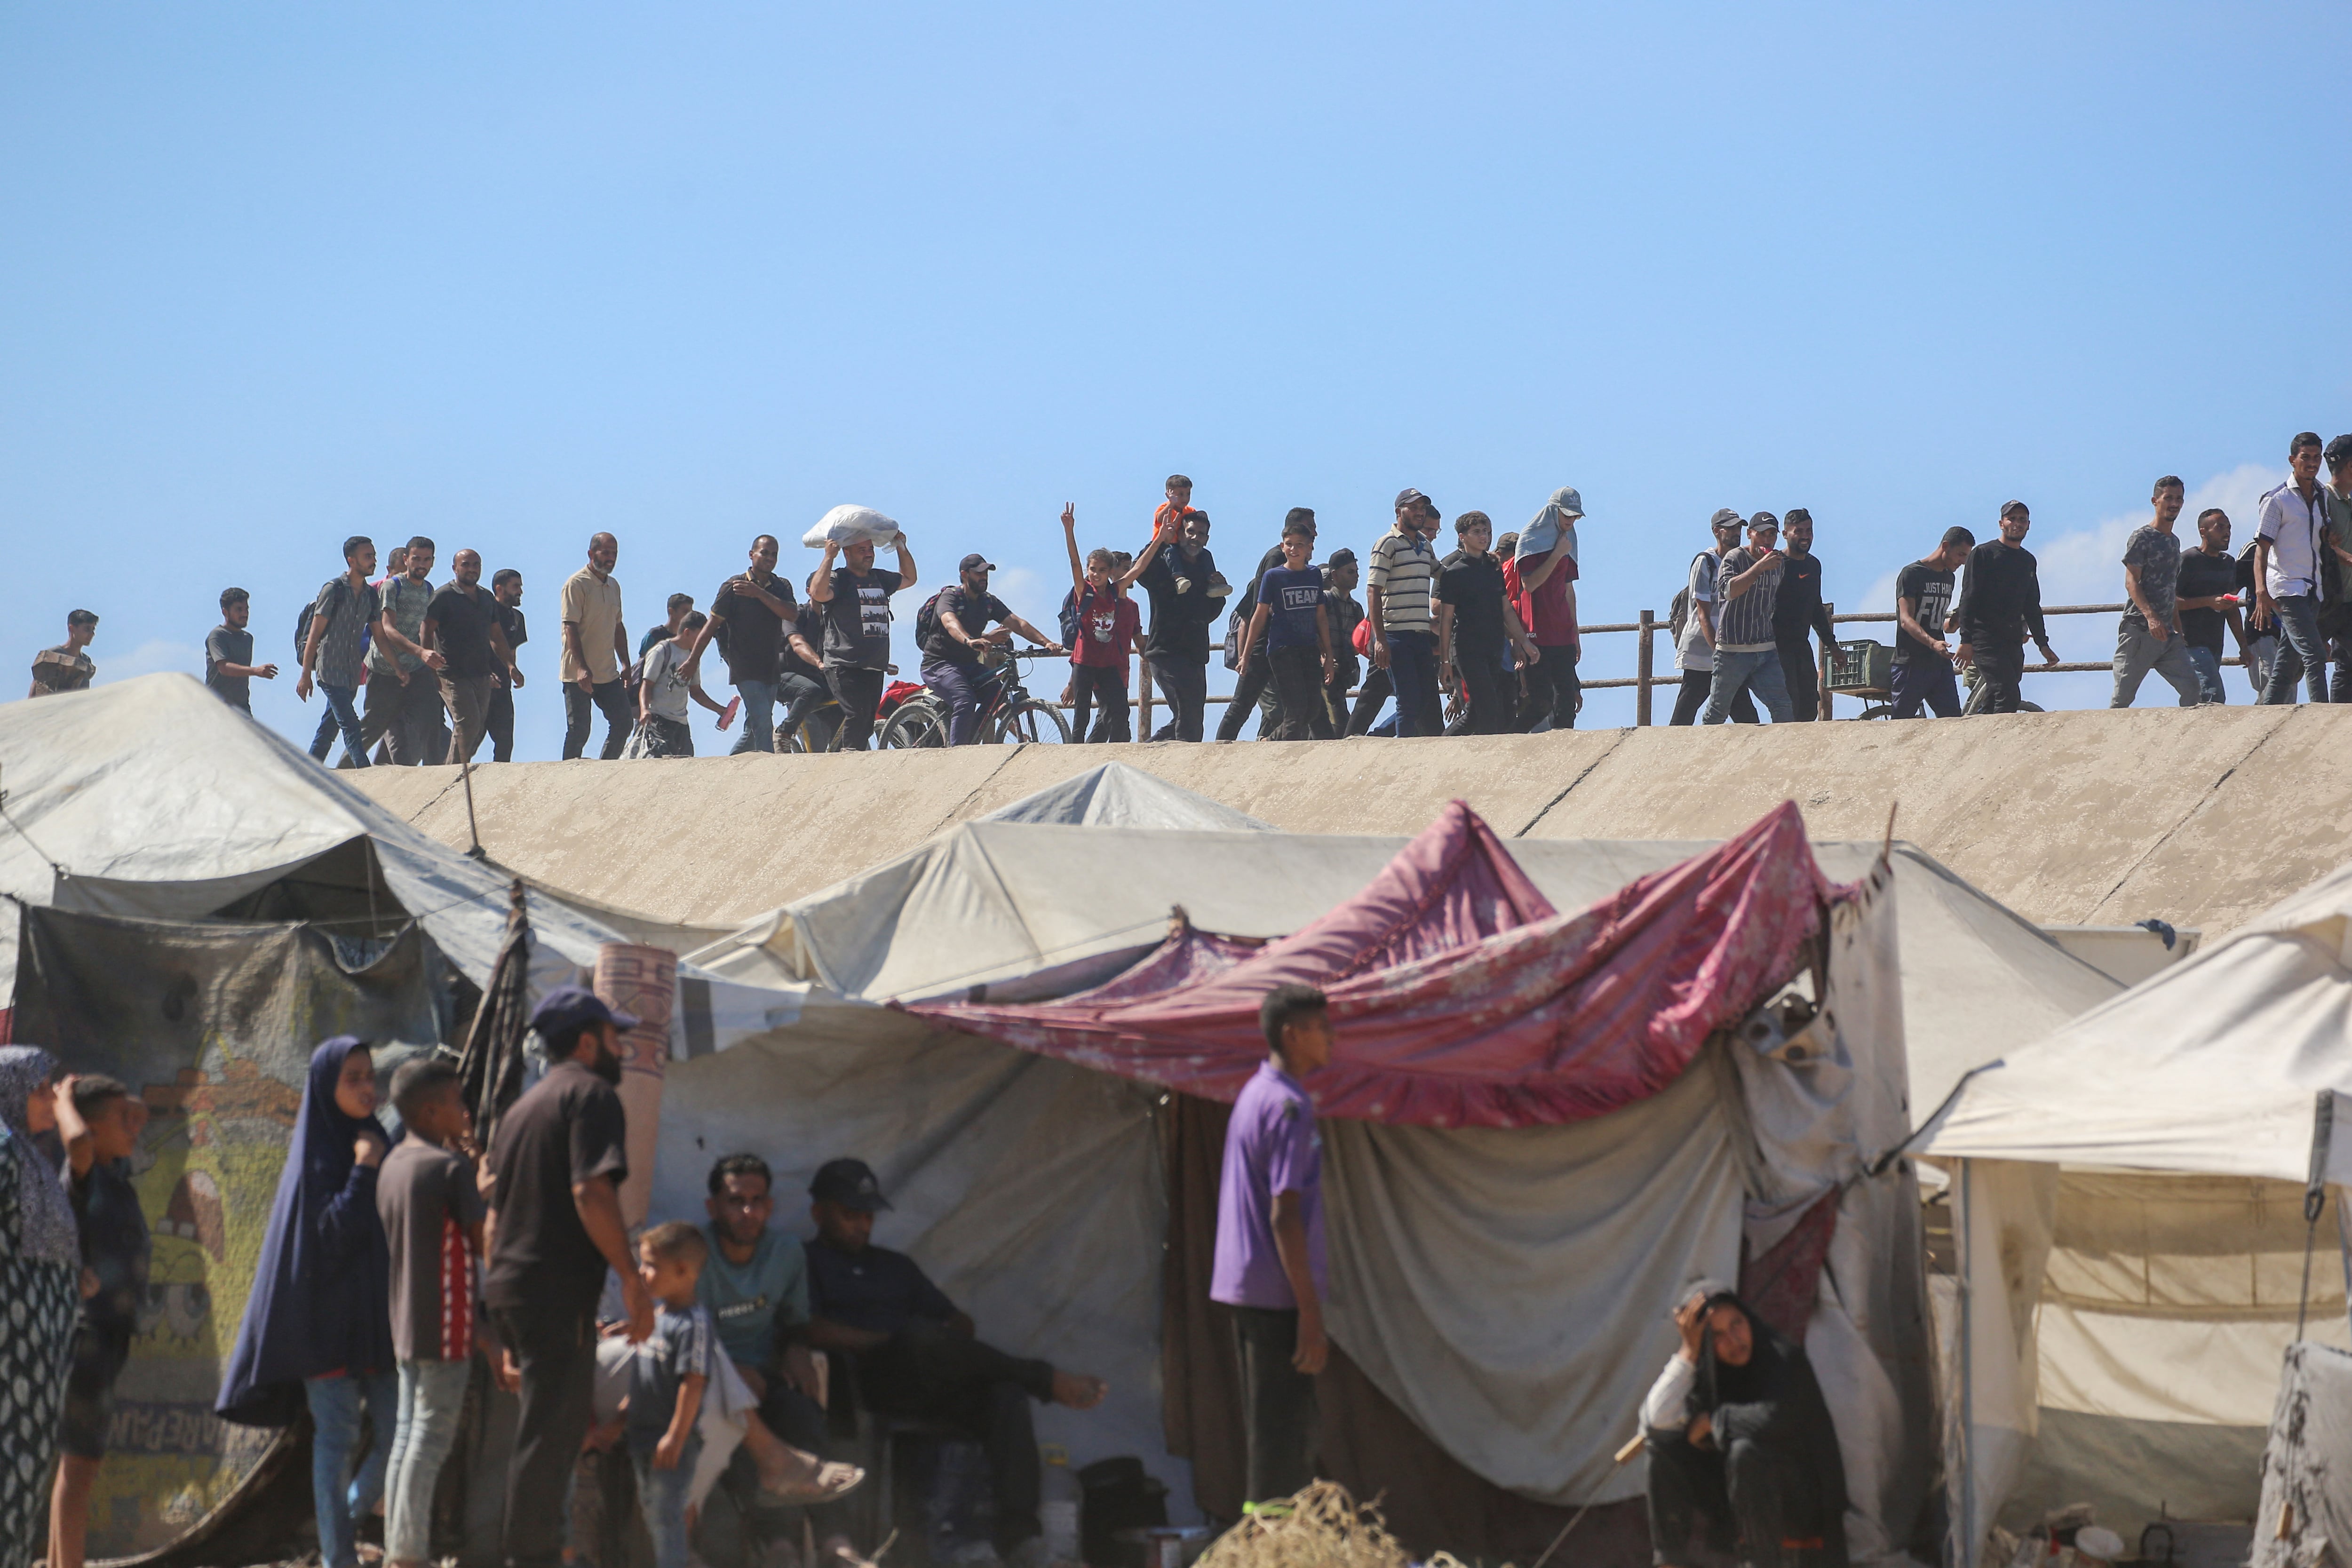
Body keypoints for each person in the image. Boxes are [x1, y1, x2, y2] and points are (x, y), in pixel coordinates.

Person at [804, 1157, 1108, 1568]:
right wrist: (890, 1341)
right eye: (849, 1214)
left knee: (1005, 1395)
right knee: (917, 1337)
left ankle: (1023, 1539)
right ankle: (1043, 1377)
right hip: (867, 1382)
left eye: (867, 1215)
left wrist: (940, 1338)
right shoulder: (805, 1261)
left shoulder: (895, 1266)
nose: (862, 1224)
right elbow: (810, 1328)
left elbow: (958, 1321)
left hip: (930, 1378)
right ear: (818, 1213)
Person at [483, 986, 656, 1568]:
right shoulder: (591, 1096)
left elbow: (493, 1215)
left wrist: (501, 1304)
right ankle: (528, 1558)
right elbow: (591, 1189)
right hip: (555, 1293)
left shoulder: (522, 1109)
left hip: (515, 1287)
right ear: (587, 1042)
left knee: (545, 1431)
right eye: (613, 1036)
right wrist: (631, 1279)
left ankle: (534, 1552)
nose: (621, 1048)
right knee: (551, 1436)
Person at [216, 1037, 397, 1568]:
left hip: (376, 1324)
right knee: (337, 1440)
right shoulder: (318, 1157)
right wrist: (364, 1171)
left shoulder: (375, 1137)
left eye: (370, 1076)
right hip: (326, 1330)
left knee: (398, 1431)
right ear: (325, 1087)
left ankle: (340, 1522)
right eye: (354, 1078)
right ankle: (338, 1557)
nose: (367, 1088)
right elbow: (333, 1236)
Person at [1212, 985, 1333, 1507]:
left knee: (1274, 1434)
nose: (1331, 1038)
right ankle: (1268, 1550)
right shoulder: (1287, 1107)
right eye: (1322, 1028)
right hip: (1275, 1294)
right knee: (1281, 1445)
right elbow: (1284, 1215)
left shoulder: (1254, 1093)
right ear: (1292, 1034)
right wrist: (1309, 1312)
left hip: (1249, 1287)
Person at [1640, 1281, 1849, 1568]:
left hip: (1802, 1506)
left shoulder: (1783, 1359)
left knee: (1745, 1452)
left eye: (1737, 1324)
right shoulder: (1708, 1374)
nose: (1735, 1340)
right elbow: (1657, 1421)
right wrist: (1689, 1351)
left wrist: (1714, 1422)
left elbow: (1775, 1418)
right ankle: (1670, 1562)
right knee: (1661, 1449)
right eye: (1718, 1336)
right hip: (1739, 1503)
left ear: (1747, 1318)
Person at [377, 1058, 490, 1568]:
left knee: (408, 1435)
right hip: (448, 1322)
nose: (465, 1112)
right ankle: (409, 1555)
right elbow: (482, 1242)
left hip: (405, 1321)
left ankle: (401, 1548)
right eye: (457, 1102)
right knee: (430, 1436)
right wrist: (483, 1179)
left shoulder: (395, 1163)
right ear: (430, 1110)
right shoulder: (450, 1169)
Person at [46, 1073, 150, 1568]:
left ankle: (54, 1561)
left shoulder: (115, 1172)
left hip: (110, 1335)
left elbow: (140, 1112)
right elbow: (76, 1140)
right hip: (88, 1335)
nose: (133, 1126)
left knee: (78, 1462)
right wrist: (65, 1098)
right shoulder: (83, 1176)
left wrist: (119, 1104)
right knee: (81, 1465)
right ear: (88, 1126)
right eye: (119, 1119)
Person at [0, 1049, 80, 1568]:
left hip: (36, 1358)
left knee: (25, 1475)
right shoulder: (6, 1155)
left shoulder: (30, 1159)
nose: (50, 1098)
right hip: (12, 1356)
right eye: (39, 1089)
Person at [627, 1223, 719, 1568]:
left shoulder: (694, 1323)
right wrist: (620, 1419)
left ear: (683, 1271)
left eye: (651, 1265)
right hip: (642, 1436)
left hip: (670, 1444)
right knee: (653, 1513)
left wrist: (676, 1437)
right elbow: (642, 1377)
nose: (641, 1272)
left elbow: (693, 1383)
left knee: (667, 1517)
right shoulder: (657, 1316)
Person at [919, 551, 1059, 746]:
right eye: (979, 574)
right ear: (965, 575)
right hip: (939, 664)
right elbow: (950, 622)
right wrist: (969, 641)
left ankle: (970, 741)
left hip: (968, 665)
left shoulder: (988, 602)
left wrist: (1046, 643)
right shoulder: (951, 597)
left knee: (996, 695)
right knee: (965, 701)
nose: (984, 578)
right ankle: (957, 753)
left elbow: (1017, 623)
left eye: (986, 574)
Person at [685, 537, 801, 753]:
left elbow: (791, 614)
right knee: (764, 722)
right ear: (752, 555)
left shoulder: (781, 586)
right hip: (744, 666)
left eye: (774, 554)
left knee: (754, 727)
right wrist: (693, 660)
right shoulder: (733, 587)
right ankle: (769, 768)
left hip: (771, 665)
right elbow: (710, 627)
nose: (770, 559)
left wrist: (759, 593)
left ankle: (732, 769)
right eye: (764, 553)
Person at [1132, 480, 1227, 741]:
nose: (1195, 538)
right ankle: (1165, 755)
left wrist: (1217, 593)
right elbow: (1141, 570)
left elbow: (1211, 609)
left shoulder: (1206, 566)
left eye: (1201, 534)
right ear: (1180, 533)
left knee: (1193, 717)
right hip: (1166, 652)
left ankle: (1154, 750)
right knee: (1186, 713)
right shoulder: (1164, 563)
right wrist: (1160, 541)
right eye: (1190, 532)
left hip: (1196, 653)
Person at [809, 533, 917, 750]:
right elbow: (818, 593)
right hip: (844, 663)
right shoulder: (840, 579)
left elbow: (909, 578)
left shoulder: (879, 578)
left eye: (871, 549)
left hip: (874, 664)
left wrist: (901, 547)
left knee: (868, 721)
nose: (869, 555)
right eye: (862, 550)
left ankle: (851, 756)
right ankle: (851, 758)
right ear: (847, 553)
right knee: (857, 714)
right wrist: (829, 556)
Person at [1435, 511, 1539, 736]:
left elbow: (1506, 610)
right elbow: (1445, 621)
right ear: (1463, 537)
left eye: (1487, 532)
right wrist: (1445, 661)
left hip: (1493, 646)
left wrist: (1524, 643)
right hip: (1467, 649)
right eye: (1477, 532)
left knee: (1476, 712)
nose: (1484, 537)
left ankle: (1441, 748)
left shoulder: (1494, 568)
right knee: (1489, 708)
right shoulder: (1454, 573)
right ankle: (1483, 758)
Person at [1235, 514, 1337, 741]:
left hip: (1308, 648)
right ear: (1283, 546)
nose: (1294, 549)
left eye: (1300, 545)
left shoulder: (1313, 576)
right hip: (1283, 649)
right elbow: (1259, 615)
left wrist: (1328, 655)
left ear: (1310, 547)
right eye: (1289, 544)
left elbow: (1320, 616)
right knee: (1296, 707)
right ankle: (1287, 752)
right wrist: (1246, 654)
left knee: (1313, 709)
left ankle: (1269, 741)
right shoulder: (1274, 576)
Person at [1218, 511, 1317, 742]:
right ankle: (1218, 750)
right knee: (1243, 705)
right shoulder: (1276, 562)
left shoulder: (1305, 570)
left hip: (1291, 647)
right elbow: (1258, 610)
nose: (1315, 532)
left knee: (1303, 706)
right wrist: (1245, 654)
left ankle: (1269, 742)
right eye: (1311, 527)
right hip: (1269, 644)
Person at [1955, 501, 2058, 715]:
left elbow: (2032, 607)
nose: (2017, 524)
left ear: (2029, 525)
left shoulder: (2028, 561)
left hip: (2012, 641)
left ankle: (1979, 739)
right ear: (2002, 524)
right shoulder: (1983, 554)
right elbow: (1969, 598)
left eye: (2022, 520)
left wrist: (2043, 644)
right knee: (2008, 694)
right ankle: (1999, 745)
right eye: (2012, 519)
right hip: (1985, 639)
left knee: (1995, 699)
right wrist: (1966, 640)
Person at [2110, 477, 2204, 708]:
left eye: (2179, 499)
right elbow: (2132, 581)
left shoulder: (2174, 543)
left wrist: (2178, 632)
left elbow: (2170, 589)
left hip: (2168, 635)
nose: (2174, 504)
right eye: (2168, 498)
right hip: (2140, 632)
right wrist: (2151, 618)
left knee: (2192, 688)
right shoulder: (2142, 537)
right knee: (2122, 699)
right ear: (2155, 501)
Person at [361, 537, 455, 765]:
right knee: (373, 729)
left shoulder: (428, 590)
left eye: (427, 560)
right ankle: (342, 773)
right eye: (416, 559)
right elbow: (387, 629)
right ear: (406, 560)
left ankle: (435, 778)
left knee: (432, 722)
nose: (422, 565)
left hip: (415, 669)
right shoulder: (393, 586)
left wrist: (430, 663)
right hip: (385, 669)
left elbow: (426, 629)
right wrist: (420, 653)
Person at [2255, 433, 2333, 706]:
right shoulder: (2277, 500)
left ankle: (2267, 714)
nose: (2312, 463)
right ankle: (2322, 713)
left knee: (2287, 664)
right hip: (2287, 588)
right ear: (2293, 460)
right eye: (2306, 458)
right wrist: (2261, 591)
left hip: (2314, 588)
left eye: (2316, 458)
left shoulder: (2324, 495)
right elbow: (2262, 548)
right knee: (2315, 653)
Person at [425, 549, 524, 762]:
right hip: (453, 673)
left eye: (476, 565)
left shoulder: (486, 598)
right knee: (467, 723)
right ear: (455, 568)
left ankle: (457, 771)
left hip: (481, 673)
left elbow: (496, 635)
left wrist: (510, 666)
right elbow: (427, 629)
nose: (471, 569)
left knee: (479, 727)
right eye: (466, 565)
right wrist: (428, 663)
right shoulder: (444, 596)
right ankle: (451, 775)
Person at [1061, 507, 1145, 743]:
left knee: (1120, 711)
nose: (1096, 575)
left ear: (1110, 572)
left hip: (1108, 664)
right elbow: (1074, 563)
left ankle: (1118, 753)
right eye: (1093, 570)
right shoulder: (1084, 591)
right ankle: (1075, 754)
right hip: (1084, 663)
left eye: (1102, 571)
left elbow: (1138, 569)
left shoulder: (1114, 592)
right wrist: (1069, 530)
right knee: (1082, 715)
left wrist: (1159, 539)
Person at [299, 537, 383, 766]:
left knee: (330, 725)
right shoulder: (333, 590)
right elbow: (315, 635)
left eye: (374, 555)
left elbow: (380, 636)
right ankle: (363, 769)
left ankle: (311, 767)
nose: (374, 560)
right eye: (368, 556)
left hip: (351, 671)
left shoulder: (370, 595)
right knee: (350, 722)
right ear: (352, 560)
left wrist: (398, 667)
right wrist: (306, 674)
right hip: (329, 668)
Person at [1367, 489, 1444, 737]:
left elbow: (1444, 574)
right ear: (1399, 511)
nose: (1419, 512)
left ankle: (1380, 738)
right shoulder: (1388, 543)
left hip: (1420, 635)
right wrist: (1379, 639)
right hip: (1395, 635)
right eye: (1413, 507)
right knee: (1408, 699)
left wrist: (1480, 562)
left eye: (1422, 507)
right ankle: (1402, 750)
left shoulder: (1424, 545)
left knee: (1423, 700)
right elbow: (1373, 591)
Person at [1669, 512, 1756, 727]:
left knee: (1747, 716)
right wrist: (1717, 651)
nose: (1737, 533)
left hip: (1729, 650)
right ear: (1717, 532)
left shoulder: (1741, 562)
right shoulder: (1706, 562)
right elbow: (1702, 613)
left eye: (1739, 528)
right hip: (1702, 651)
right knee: (1685, 713)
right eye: (1731, 528)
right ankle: (1667, 754)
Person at [1706, 514, 1794, 724]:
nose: (1767, 540)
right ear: (1750, 535)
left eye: (1771, 534)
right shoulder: (1734, 558)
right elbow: (1728, 591)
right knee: (1718, 712)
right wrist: (1758, 568)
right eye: (1761, 534)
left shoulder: (1779, 563)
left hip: (1765, 649)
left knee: (1782, 706)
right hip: (1733, 651)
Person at [1506, 490, 1581, 732]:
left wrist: (1575, 633)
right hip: (1536, 632)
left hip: (1563, 631)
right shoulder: (1531, 539)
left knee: (1567, 701)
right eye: (1567, 514)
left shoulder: (1570, 539)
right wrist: (1557, 554)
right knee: (1541, 702)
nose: (1571, 521)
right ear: (1553, 510)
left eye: (1575, 517)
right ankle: (1508, 739)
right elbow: (1529, 584)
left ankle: (1566, 752)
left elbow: (1568, 589)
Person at [561, 533, 633, 759]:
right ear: (592, 554)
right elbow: (570, 627)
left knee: (623, 723)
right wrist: (581, 668)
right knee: (580, 730)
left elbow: (618, 627)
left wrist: (625, 662)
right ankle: (565, 775)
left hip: (607, 672)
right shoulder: (577, 584)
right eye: (606, 553)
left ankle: (604, 769)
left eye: (614, 553)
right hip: (578, 674)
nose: (611, 558)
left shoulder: (614, 586)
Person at [1891, 528, 1973, 719]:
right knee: (1900, 725)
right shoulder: (1912, 574)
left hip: (1940, 664)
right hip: (1911, 663)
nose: (1962, 561)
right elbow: (1906, 619)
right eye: (1960, 554)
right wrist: (1932, 643)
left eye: (1966, 557)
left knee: (1952, 720)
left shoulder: (1949, 578)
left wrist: (1958, 619)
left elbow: (1942, 625)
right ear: (1946, 547)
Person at [2175, 509, 2245, 707]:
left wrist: (2244, 647)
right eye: (2220, 527)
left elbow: (2232, 609)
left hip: (2215, 643)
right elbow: (2170, 601)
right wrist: (2207, 601)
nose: (2227, 532)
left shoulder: (2229, 563)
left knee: (2198, 699)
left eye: (2229, 527)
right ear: (2203, 531)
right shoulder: (2188, 560)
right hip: (2190, 642)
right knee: (2213, 696)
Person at [1773, 510, 1837, 723]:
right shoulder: (1774, 564)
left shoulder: (1813, 565)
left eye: (1809, 531)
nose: (1805, 536)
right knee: (1788, 703)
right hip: (1776, 646)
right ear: (1785, 533)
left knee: (1810, 702)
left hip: (1801, 645)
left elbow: (1816, 609)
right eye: (1798, 531)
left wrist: (1833, 646)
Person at [636, 611, 726, 756]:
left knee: (685, 767)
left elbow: (696, 692)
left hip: (681, 724)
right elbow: (647, 685)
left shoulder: (693, 658)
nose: (704, 641)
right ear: (687, 632)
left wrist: (719, 710)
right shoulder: (662, 651)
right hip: (658, 720)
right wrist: (645, 710)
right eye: (701, 635)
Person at [205, 590, 278, 713]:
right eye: (239, 610)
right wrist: (256, 671)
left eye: (246, 609)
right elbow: (224, 668)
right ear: (225, 612)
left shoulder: (247, 638)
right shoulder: (217, 636)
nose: (245, 614)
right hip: (217, 706)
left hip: (242, 708)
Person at [1320, 549, 1366, 734]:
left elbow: (1360, 643)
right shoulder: (1324, 601)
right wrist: (1325, 657)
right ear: (1335, 575)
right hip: (1322, 674)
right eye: (1350, 572)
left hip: (1341, 675)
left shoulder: (1356, 608)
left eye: (1356, 571)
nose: (1356, 576)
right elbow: (1313, 632)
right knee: (1339, 725)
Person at [487, 568, 528, 763]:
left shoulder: (517, 617)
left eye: (520, 586)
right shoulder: (485, 611)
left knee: (505, 741)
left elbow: (512, 649)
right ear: (499, 589)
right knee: (471, 738)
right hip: (480, 683)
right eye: (515, 587)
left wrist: (514, 671)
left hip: (503, 685)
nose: (520, 591)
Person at [2325, 435, 2352, 704]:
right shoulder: (2325, 500)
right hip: (2331, 599)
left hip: (2349, 598)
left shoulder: (2347, 501)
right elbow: (2321, 546)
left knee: (2346, 664)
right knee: (2299, 660)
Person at [28, 609, 99, 699]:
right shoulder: (52, 655)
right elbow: (36, 688)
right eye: (87, 629)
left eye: (93, 629)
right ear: (72, 629)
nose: (92, 634)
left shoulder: (86, 661)